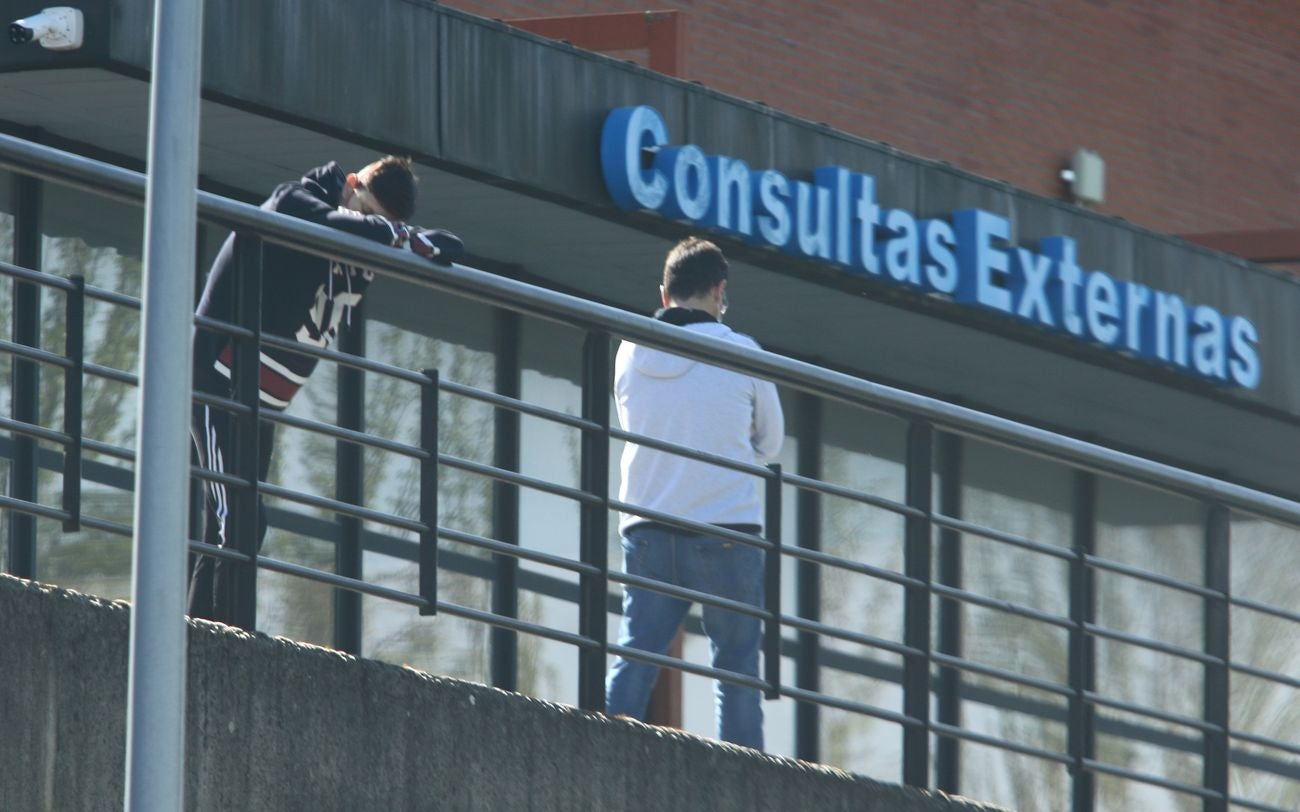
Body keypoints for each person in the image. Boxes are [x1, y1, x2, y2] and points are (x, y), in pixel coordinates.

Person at [188, 155, 462, 620]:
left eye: (383, 222)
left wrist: (398, 235)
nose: (369, 225)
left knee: (229, 523)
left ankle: (197, 634)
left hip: (263, 400)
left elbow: (452, 246)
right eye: (366, 210)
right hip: (220, 382)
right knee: (240, 520)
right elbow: (305, 213)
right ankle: (220, 645)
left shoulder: (376, 233)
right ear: (351, 183)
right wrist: (391, 235)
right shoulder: (295, 200)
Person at [605, 236, 784, 750]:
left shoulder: (629, 351)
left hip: (649, 524)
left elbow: (634, 417)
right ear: (719, 291)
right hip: (727, 527)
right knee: (737, 672)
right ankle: (743, 782)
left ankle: (598, 759)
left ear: (665, 294)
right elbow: (770, 443)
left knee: (636, 657)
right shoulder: (743, 352)